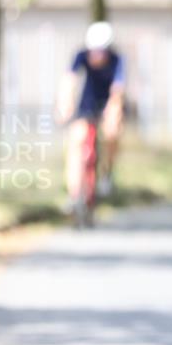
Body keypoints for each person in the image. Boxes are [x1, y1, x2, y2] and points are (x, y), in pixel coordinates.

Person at [55, 21, 126, 208]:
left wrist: (112, 113)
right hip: (86, 105)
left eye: (101, 51)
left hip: (108, 104)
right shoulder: (81, 56)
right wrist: (64, 104)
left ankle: (107, 173)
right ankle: (74, 194)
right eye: (94, 50)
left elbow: (118, 91)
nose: (97, 55)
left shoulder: (117, 60)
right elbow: (69, 81)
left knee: (112, 133)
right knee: (76, 141)